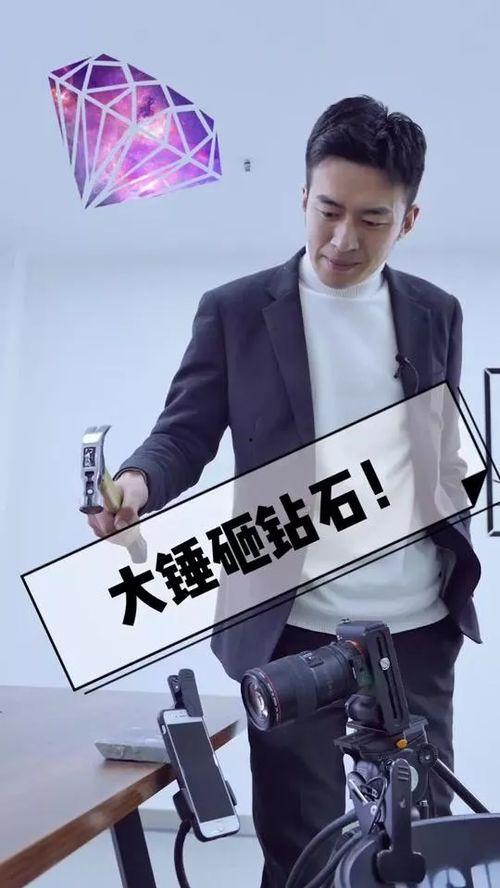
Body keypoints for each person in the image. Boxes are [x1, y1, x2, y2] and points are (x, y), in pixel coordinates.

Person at [88, 95, 482, 888]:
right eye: (328, 210)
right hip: (291, 634)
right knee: (301, 852)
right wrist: (135, 483)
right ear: (303, 197)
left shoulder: (436, 312)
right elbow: (184, 433)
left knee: (421, 846)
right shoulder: (235, 311)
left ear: (408, 221)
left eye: (372, 219)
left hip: (416, 631)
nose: (343, 239)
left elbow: (440, 445)